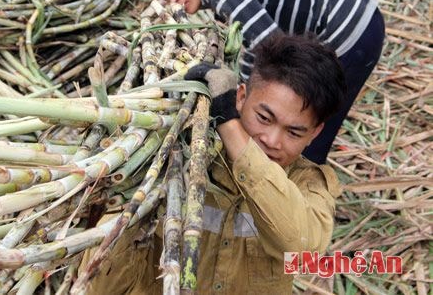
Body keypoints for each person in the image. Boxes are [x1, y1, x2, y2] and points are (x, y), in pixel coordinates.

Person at [82, 34, 346, 294]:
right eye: (264, 118)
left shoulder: (308, 186)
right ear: (241, 97)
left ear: (315, 133)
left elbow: (300, 249)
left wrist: (229, 123)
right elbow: (101, 279)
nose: (272, 140)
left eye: (294, 132)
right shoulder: (180, 158)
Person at [140, 0, 385, 164]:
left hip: (352, 30)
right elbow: (264, 47)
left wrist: (238, 98)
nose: (174, 0)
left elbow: (271, 49)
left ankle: (301, 198)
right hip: (360, 22)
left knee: (307, 119)